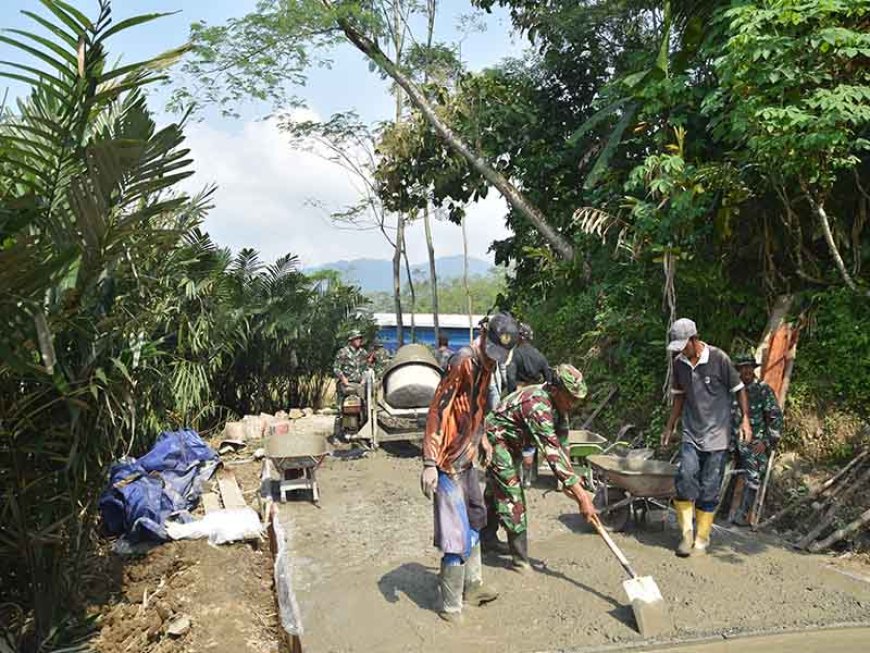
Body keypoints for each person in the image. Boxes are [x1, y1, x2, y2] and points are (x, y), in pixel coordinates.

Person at [420, 312, 519, 624]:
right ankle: (450, 606)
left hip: (467, 457)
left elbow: (477, 407)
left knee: (477, 518)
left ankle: (473, 586)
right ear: (484, 335)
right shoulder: (463, 361)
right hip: (447, 460)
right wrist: (429, 462)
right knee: (455, 534)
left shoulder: (489, 365)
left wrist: (484, 438)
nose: (495, 357)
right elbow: (439, 408)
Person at [483, 364, 598, 571]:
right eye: (570, 398)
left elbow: (562, 446)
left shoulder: (560, 406)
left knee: (495, 490)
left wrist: (570, 482)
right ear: (554, 390)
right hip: (496, 439)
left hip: (515, 441)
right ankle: (520, 561)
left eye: (576, 400)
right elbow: (551, 452)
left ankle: (487, 539)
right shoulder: (537, 404)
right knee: (512, 495)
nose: (573, 404)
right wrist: (583, 498)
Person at [661, 318, 752, 557]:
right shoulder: (679, 364)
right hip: (691, 431)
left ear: (694, 339)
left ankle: (701, 538)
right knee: (685, 476)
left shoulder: (719, 358)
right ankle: (686, 535)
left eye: (683, 346)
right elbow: (679, 396)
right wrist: (670, 426)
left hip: (718, 435)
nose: (681, 351)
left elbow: (739, 389)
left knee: (710, 487)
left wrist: (745, 420)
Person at [731, 354, 783, 526]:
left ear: (753, 369)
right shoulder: (733, 389)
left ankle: (743, 514)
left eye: (749, 367)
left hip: (753, 439)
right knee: (712, 464)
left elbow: (775, 417)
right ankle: (706, 507)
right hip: (731, 438)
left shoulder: (762, 390)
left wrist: (766, 441)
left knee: (753, 474)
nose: (746, 371)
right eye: (742, 368)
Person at [504, 323, 551, 394]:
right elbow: (548, 376)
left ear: (520, 337)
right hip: (538, 392)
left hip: (520, 392)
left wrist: (512, 392)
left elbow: (511, 377)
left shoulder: (515, 354)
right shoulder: (539, 354)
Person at [333, 330, 370, 406]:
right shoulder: (343, 352)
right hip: (346, 383)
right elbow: (336, 368)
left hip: (359, 383)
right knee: (343, 405)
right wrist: (343, 378)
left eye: (359, 338)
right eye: (356, 339)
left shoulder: (363, 352)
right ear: (351, 340)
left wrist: (364, 379)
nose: (359, 340)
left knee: (365, 402)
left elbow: (366, 368)